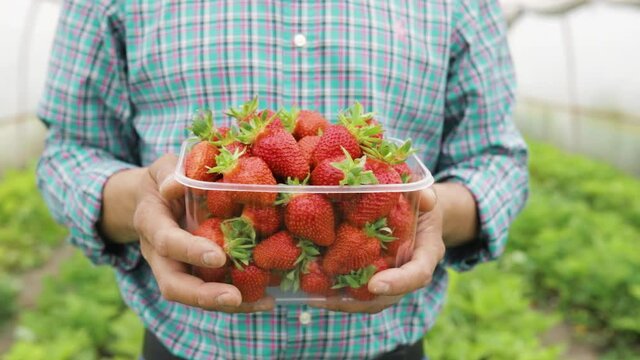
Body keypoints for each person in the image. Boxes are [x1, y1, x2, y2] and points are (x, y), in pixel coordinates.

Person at [36, 0, 528, 359]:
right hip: (188, 345)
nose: (296, 183)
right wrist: (142, 207)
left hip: (388, 345)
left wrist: (423, 213)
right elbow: (70, 153)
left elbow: (498, 160)